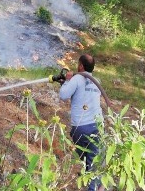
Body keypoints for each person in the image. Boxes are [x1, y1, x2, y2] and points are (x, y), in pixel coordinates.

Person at [58, 54, 104, 191]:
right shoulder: (97, 81)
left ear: (81, 66)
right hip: (97, 126)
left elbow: (63, 95)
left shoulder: (77, 78)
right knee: (94, 161)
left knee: (88, 160)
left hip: (80, 128)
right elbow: (84, 94)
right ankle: (95, 184)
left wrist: (67, 81)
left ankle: (93, 186)